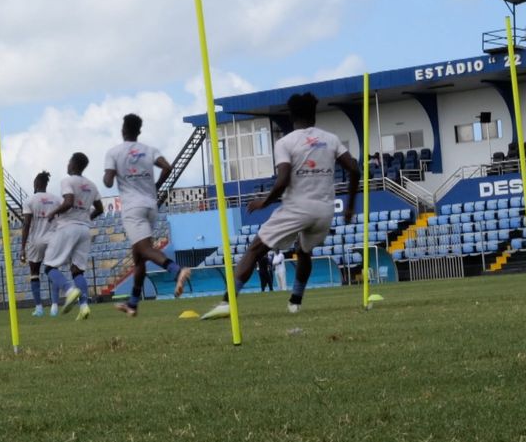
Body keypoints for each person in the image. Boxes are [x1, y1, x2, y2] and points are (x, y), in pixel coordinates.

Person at [200, 92, 359, 319]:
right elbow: (354, 169)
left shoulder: (285, 142)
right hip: (325, 210)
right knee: (304, 252)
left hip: (297, 207)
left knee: (255, 249)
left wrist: (264, 201)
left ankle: (227, 302)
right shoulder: (331, 139)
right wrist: (351, 205)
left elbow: (283, 179)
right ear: (314, 114)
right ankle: (295, 301)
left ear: (291, 116)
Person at [103, 114, 191, 317]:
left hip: (132, 207)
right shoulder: (149, 150)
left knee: (144, 249)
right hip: (151, 205)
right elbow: (168, 167)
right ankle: (133, 304)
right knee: (138, 257)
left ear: (123, 129)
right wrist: (156, 186)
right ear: (139, 131)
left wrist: (112, 174)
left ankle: (177, 270)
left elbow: (107, 182)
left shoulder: (114, 152)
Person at [43, 152, 104, 320]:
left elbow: (68, 202)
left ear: (74, 164)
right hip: (84, 230)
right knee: (78, 272)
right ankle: (84, 307)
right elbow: (100, 208)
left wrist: (53, 213)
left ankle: (70, 291)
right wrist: (85, 218)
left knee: (49, 267)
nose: (67, 165)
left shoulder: (67, 181)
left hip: (67, 227)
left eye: (69, 162)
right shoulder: (92, 185)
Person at [20, 171, 60, 317]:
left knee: (34, 273)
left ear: (36, 184)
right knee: (53, 271)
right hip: (53, 240)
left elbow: (26, 224)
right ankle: (55, 306)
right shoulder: (56, 200)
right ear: (46, 184)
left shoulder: (30, 200)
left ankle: (39, 308)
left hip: (36, 241)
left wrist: (22, 248)